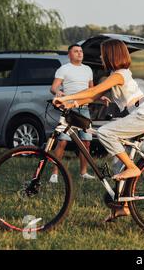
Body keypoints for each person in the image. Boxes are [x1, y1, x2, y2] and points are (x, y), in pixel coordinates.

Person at [52, 39, 144, 221]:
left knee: (105, 132)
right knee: (118, 164)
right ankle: (121, 208)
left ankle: (133, 168)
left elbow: (93, 90)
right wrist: (72, 103)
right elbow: (93, 95)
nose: (101, 56)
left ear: (111, 55)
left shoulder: (120, 74)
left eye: (103, 53)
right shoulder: (114, 74)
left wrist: (67, 97)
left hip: (143, 115)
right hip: (140, 113)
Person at [49, 44, 96, 183]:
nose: (80, 53)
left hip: (84, 109)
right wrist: (57, 91)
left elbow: (91, 90)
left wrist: (100, 96)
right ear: (69, 54)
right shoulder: (64, 69)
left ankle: (83, 172)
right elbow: (53, 87)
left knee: (86, 142)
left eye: (81, 51)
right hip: (69, 110)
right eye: (76, 51)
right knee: (62, 141)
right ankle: (55, 173)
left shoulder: (88, 69)